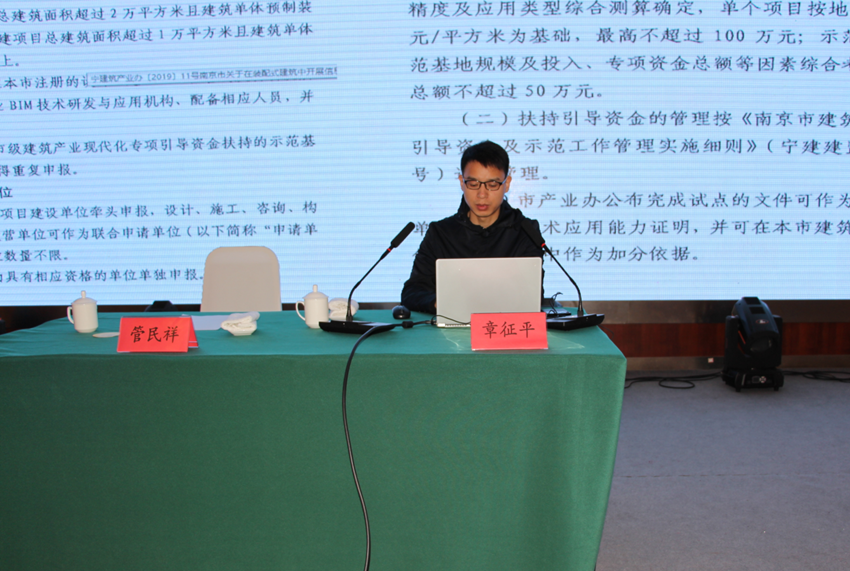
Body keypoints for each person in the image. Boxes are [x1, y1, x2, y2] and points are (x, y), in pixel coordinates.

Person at [401, 140, 544, 314]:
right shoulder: (440, 233)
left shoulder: (526, 231)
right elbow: (412, 291)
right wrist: (440, 303)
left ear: (506, 184)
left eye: (492, 184)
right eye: (473, 184)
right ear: (462, 182)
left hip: (505, 326)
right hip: (452, 327)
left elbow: (532, 294)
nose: (482, 194)